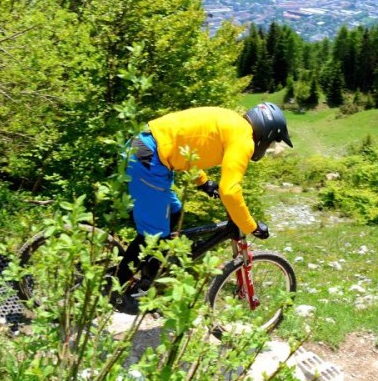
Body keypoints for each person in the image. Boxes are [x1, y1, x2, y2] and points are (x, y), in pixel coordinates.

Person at [113, 102, 293, 312]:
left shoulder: (233, 122)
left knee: (174, 212)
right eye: (270, 142)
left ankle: (146, 274)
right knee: (154, 234)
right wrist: (251, 226)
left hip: (148, 151)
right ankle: (120, 292)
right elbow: (230, 191)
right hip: (149, 158)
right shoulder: (243, 139)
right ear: (266, 134)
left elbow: (190, 143)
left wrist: (203, 182)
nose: (267, 147)